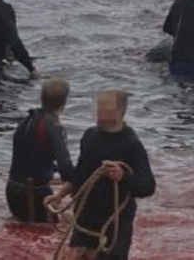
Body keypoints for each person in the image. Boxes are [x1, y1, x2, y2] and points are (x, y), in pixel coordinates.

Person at [45, 89, 156, 260]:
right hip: (85, 217)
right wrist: (60, 194)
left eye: (106, 108)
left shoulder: (131, 144)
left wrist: (122, 177)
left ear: (121, 111)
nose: (100, 112)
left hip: (114, 224)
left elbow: (148, 186)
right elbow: (80, 174)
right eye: (99, 106)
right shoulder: (90, 135)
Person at [6, 78, 75, 222]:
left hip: (12, 189)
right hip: (34, 194)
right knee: (51, 233)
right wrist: (77, 185)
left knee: (23, 233)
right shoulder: (55, 126)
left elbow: (31, 157)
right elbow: (65, 166)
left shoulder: (27, 121)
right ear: (63, 105)